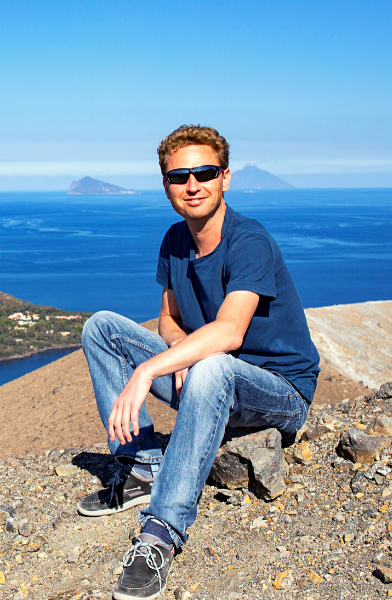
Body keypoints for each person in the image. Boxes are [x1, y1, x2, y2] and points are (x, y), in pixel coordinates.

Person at [77, 125, 320, 600]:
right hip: (209, 380)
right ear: (166, 185)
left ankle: (161, 532)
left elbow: (229, 333)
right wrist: (183, 350)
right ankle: (141, 468)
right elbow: (168, 319)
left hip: (279, 391)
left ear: (225, 177)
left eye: (204, 173)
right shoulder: (174, 240)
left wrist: (152, 368)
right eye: (179, 176)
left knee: (212, 364)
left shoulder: (249, 241)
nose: (192, 185)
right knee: (101, 328)